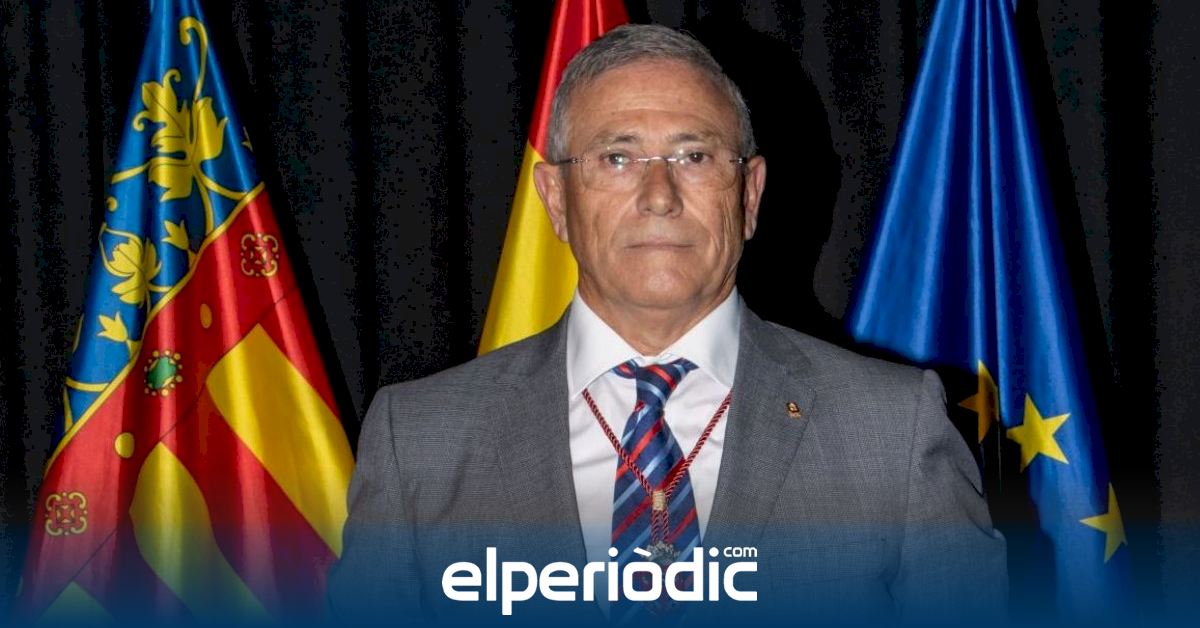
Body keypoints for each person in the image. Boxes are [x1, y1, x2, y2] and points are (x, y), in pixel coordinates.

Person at [328, 24, 1007, 625]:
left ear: (750, 194)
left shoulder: (893, 431)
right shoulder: (419, 443)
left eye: (695, 157)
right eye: (617, 158)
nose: (659, 197)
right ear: (556, 199)